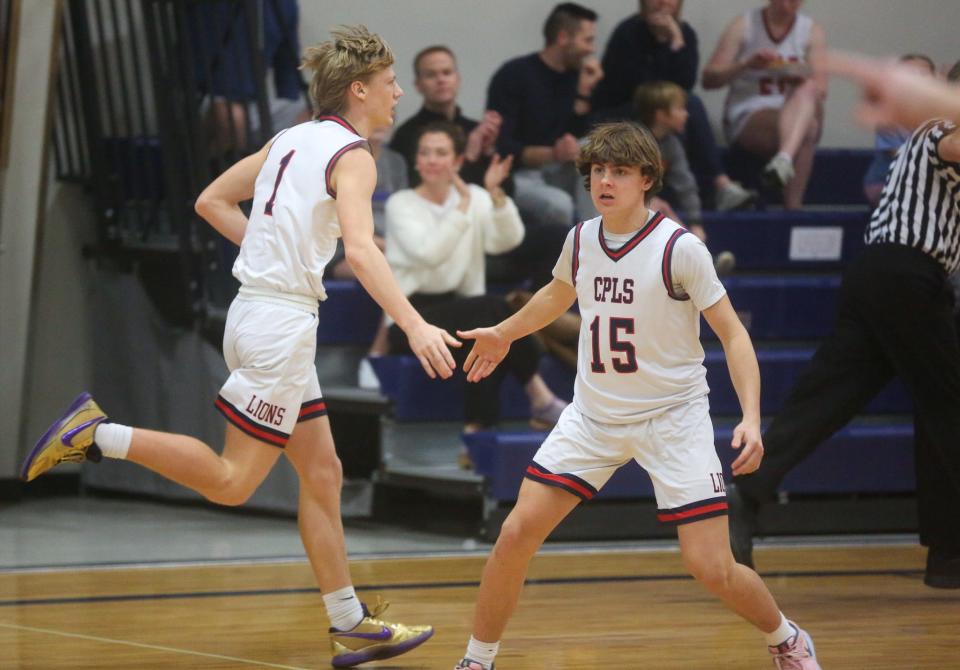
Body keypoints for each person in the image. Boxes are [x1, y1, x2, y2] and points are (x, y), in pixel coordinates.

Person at [20, 25, 458, 667]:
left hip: (256, 312)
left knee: (323, 472)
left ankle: (350, 623)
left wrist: (267, 248)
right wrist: (415, 323)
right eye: (390, 84)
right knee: (231, 483)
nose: (398, 94)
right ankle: (97, 434)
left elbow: (210, 201)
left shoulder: (288, 139)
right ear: (358, 90)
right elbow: (362, 250)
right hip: (280, 324)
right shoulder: (354, 154)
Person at [452, 122, 820, 670]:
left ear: (646, 178)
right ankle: (477, 660)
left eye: (619, 171)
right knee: (514, 534)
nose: (605, 180)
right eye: (598, 170)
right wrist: (505, 332)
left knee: (710, 567)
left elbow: (734, 335)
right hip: (594, 416)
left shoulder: (680, 249)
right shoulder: (580, 239)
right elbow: (558, 293)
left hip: (672, 418)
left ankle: (786, 636)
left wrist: (750, 416)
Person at [727, 58, 960, 590]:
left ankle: (746, 491)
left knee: (829, 399)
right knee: (951, 408)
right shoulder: (942, 132)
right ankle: (950, 548)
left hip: (883, 276)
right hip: (905, 276)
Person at [382, 122, 567, 448]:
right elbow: (429, 254)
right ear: (415, 161)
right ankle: (539, 395)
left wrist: (496, 196)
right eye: (425, 153)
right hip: (412, 321)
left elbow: (507, 240)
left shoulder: (476, 197)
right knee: (493, 315)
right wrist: (463, 208)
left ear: (456, 162)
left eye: (441, 153)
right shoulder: (402, 203)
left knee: (483, 336)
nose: (431, 160)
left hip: (464, 312)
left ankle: (477, 432)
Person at [592, 0, 755, 210]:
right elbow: (638, 87)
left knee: (690, 106)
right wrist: (663, 45)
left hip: (660, 110)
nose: (662, 3)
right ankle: (713, 186)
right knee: (687, 108)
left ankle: (717, 188)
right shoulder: (627, 33)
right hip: (626, 110)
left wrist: (675, 41)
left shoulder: (685, 34)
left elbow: (684, 85)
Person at [486, 2, 604, 227]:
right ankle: (578, 253)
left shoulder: (577, 77)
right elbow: (504, 148)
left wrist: (584, 93)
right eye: (587, 40)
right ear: (562, 37)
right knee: (559, 205)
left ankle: (599, 243)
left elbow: (579, 136)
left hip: (562, 170)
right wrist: (553, 153)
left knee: (600, 151)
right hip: (519, 176)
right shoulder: (514, 75)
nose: (592, 49)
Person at [702, 0, 827, 209]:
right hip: (751, 113)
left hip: (795, 110)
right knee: (809, 127)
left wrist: (800, 73)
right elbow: (709, 79)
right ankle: (793, 205)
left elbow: (822, 89)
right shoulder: (744, 25)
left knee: (809, 96)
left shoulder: (811, 30)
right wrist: (746, 64)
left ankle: (783, 161)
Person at [186, 0, 312, 156]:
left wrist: (293, 104)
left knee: (313, 120)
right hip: (206, 96)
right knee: (233, 118)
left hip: (253, 102)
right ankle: (215, 175)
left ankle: (279, 176)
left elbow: (287, 69)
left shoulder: (283, 5)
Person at [390, 45, 506, 191]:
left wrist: (489, 151)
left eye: (447, 72)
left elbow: (507, 191)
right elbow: (421, 191)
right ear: (418, 85)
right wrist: (469, 156)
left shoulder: (476, 130)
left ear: (458, 79)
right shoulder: (406, 135)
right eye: (431, 75)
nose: (441, 80)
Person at [862, 54, 936, 207]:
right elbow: (900, 156)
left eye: (923, 73)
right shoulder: (889, 114)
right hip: (886, 181)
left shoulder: (939, 111)